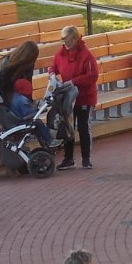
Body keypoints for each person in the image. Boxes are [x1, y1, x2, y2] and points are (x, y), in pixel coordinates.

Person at [51, 25, 98, 170]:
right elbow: (53, 67)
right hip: (68, 97)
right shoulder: (61, 54)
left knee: (83, 127)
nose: (65, 43)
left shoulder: (86, 55)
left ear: (75, 39)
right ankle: (68, 158)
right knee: (68, 126)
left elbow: (92, 76)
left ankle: (86, 158)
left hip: (84, 96)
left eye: (68, 39)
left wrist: (74, 81)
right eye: (63, 40)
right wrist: (52, 75)